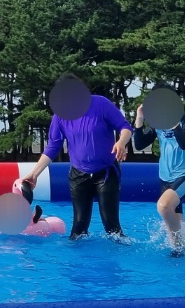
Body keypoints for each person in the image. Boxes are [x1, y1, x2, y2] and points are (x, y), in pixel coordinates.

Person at [24, 81, 132, 239]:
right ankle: (77, 263)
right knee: (78, 230)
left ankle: (120, 257)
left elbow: (125, 127)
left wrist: (121, 142)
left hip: (106, 173)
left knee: (111, 226)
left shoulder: (101, 103)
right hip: (78, 175)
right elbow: (52, 147)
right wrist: (34, 174)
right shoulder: (60, 116)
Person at [132, 102, 185, 253]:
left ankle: (179, 249)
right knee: (175, 219)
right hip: (165, 177)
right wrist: (139, 119)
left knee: (164, 206)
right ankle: (180, 253)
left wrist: (174, 124)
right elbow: (139, 144)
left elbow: (184, 144)